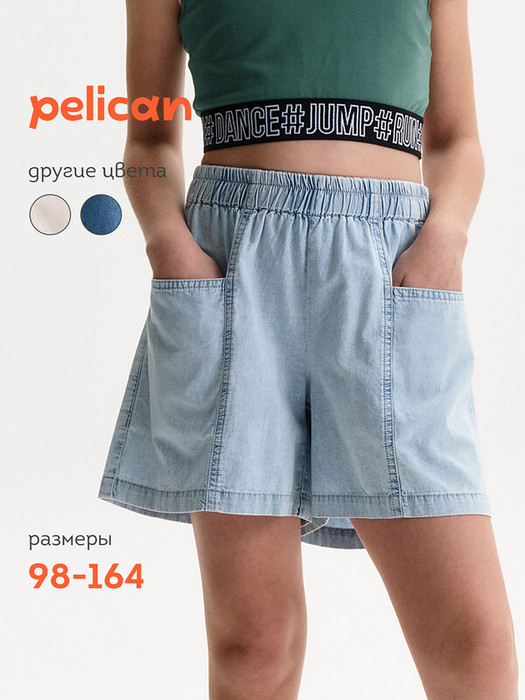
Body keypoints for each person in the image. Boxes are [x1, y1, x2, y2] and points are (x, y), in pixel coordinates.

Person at [98, 0, 519, 697]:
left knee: (475, 645)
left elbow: (456, 139)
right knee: (252, 647)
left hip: (390, 269)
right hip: (230, 265)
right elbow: (148, 142)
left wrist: (445, 239)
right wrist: (167, 245)